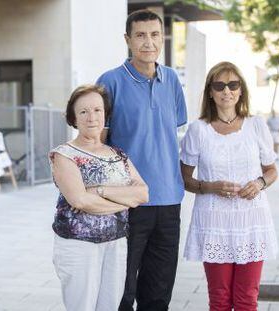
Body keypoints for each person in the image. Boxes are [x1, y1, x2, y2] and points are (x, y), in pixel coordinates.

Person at [96, 9, 187, 310]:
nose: (148, 42)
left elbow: (172, 133)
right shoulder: (110, 82)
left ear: (162, 38)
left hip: (169, 200)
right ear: (128, 39)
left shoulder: (172, 79)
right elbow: (99, 143)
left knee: (159, 293)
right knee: (122, 291)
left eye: (155, 34)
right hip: (128, 203)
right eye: (140, 35)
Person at [180, 61, 278, 311]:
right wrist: (211, 186)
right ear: (210, 92)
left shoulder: (256, 125)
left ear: (241, 90)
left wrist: (259, 183)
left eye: (233, 84)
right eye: (219, 85)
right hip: (214, 223)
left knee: (247, 299)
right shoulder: (198, 130)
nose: (227, 91)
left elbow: (271, 170)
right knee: (220, 299)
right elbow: (185, 179)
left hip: (251, 222)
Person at [49, 85, 149, 311]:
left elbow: (142, 193)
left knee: (110, 307)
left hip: (115, 243)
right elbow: (80, 201)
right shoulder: (64, 154)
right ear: (73, 118)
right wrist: (125, 200)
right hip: (78, 246)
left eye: (97, 110)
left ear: (105, 114)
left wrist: (100, 191)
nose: (91, 117)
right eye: (83, 111)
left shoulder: (118, 155)